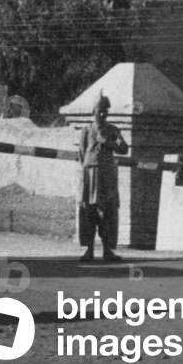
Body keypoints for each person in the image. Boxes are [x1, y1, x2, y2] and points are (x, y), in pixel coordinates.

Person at [77, 96, 129, 262]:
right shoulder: (86, 130)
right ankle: (89, 250)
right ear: (93, 111)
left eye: (105, 111)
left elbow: (124, 148)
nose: (102, 114)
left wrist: (108, 142)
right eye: (100, 110)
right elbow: (81, 154)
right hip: (90, 175)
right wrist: (88, 170)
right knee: (88, 212)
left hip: (107, 177)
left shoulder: (113, 130)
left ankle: (108, 250)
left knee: (108, 211)